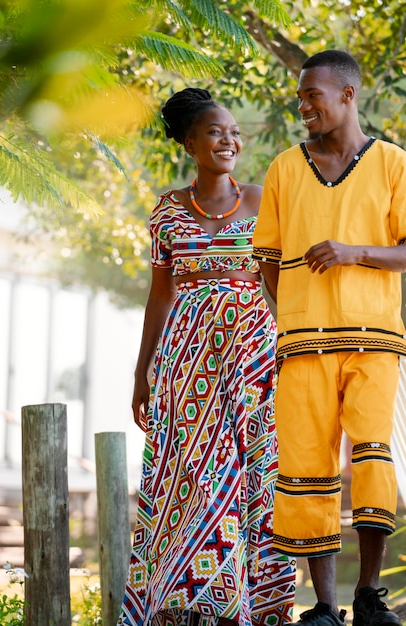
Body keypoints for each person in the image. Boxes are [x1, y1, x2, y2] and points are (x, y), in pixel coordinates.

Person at [117, 87, 296, 626]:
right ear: (189, 141)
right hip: (185, 359)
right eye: (216, 131)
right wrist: (141, 372)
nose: (229, 139)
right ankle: (184, 603)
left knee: (254, 473)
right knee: (190, 471)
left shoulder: (263, 199)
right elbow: (160, 294)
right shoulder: (168, 208)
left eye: (234, 131)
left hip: (251, 356)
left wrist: (297, 351)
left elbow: (277, 284)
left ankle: (251, 604)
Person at [252, 49, 406, 626]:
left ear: (347, 94)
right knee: (306, 469)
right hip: (302, 345)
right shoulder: (285, 169)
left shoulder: (393, 163)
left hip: (375, 342)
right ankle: (322, 607)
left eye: (312, 95)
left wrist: (355, 253)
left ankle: (368, 597)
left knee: (371, 459)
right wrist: (294, 309)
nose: (303, 106)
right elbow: (267, 258)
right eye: (299, 97)